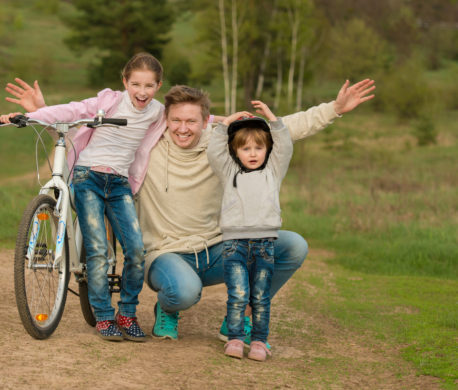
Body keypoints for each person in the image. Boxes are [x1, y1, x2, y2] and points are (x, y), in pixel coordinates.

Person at [139, 80, 375, 346]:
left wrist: (335, 109)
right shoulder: (147, 149)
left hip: (219, 248)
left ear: (206, 121)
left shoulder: (222, 143)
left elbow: (287, 129)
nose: (183, 129)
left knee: (293, 245)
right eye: (176, 120)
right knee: (182, 292)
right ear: (165, 120)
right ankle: (168, 308)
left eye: (191, 121)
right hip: (166, 253)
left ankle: (241, 316)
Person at [0, 52, 168, 342]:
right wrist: (31, 116)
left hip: (119, 185)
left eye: (149, 86)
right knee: (100, 251)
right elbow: (71, 111)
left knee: (137, 251)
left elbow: (188, 117)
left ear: (158, 86)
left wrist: (224, 119)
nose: (142, 92)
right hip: (87, 178)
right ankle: (103, 316)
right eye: (136, 84)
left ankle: (127, 313)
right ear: (125, 82)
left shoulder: (157, 111)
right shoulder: (108, 102)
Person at [207, 102, 292, 361]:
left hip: (265, 242)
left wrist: (272, 119)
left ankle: (259, 341)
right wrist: (225, 124)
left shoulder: (273, 172)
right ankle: (235, 339)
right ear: (236, 151)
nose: (253, 153)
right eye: (246, 148)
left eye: (259, 147)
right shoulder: (229, 171)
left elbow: (286, 146)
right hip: (235, 244)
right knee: (238, 295)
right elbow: (214, 152)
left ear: (267, 149)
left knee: (260, 296)